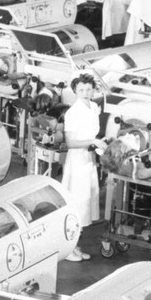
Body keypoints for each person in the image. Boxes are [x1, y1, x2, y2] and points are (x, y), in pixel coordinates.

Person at [61, 72, 102, 262]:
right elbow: (70, 142)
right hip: (77, 161)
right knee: (77, 205)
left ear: (93, 90)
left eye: (88, 89)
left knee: (86, 206)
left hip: (89, 159)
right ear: (75, 92)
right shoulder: (73, 113)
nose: (85, 93)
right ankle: (67, 249)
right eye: (81, 90)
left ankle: (74, 245)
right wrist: (92, 141)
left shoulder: (93, 106)